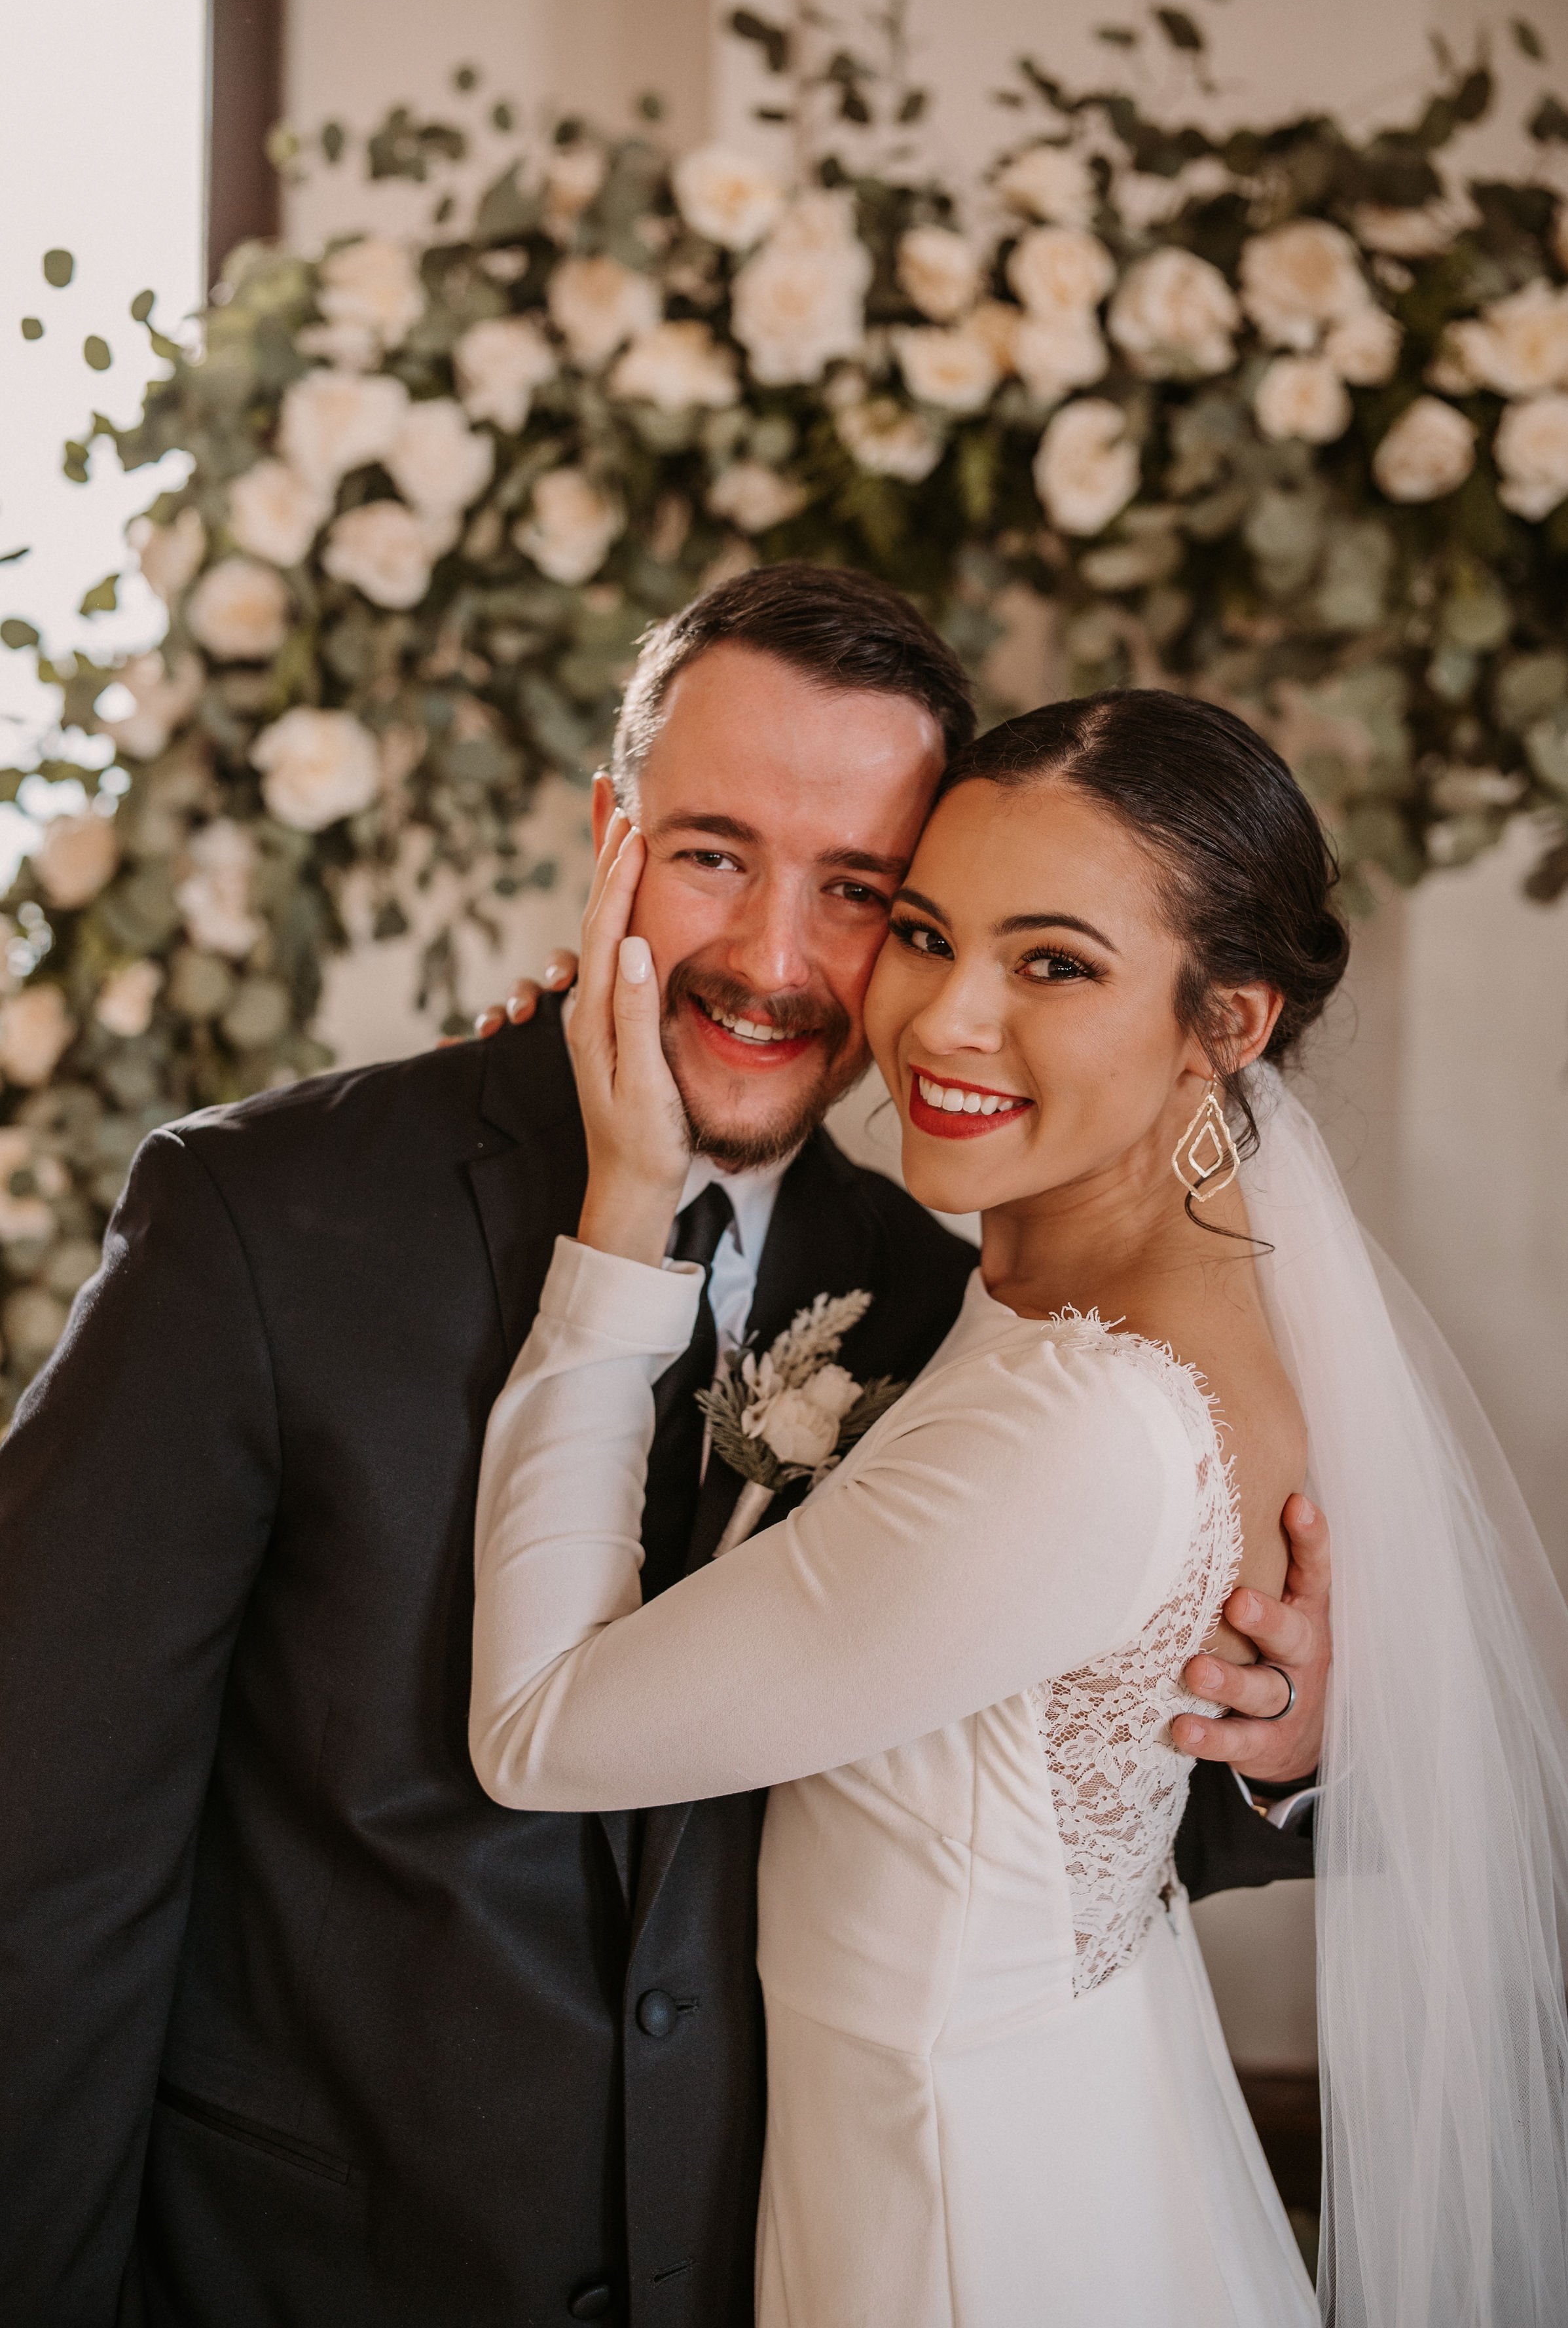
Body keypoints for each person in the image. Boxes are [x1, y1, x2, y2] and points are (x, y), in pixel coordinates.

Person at [0, 570, 1324, 2328]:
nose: (775, 964)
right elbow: (43, 1849)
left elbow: (1053, 1826)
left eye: (858, 892)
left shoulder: (961, 1307)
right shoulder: (264, 1222)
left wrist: (1276, 1744)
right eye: (712, 853)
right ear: (609, 830)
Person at [469, 687, 1568, 2324]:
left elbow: (540, 1732)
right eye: (921, 932)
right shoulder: (1052, 1296)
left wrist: (624, 1222)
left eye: (1054, 964)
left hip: (964, 2220)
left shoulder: (1085, 1419)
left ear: (1231, 1023)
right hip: (1012, 2132)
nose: (945, 1021)